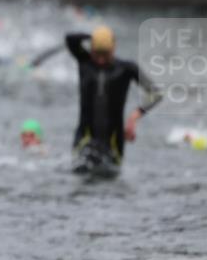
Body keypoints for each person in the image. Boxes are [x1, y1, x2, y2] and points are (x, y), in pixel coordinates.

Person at [65, 26, 161, 174]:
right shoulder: (84, 61)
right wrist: (95, 36)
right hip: (84, 139)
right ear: (91, 49)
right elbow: (70, 39)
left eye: (105, 54)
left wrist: (135, 116)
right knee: (81, 171)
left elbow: (156, 93)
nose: (101, 59)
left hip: (114, 144)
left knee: (110, 181)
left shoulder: (126, 69)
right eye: (97, 54)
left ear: (114, 48)